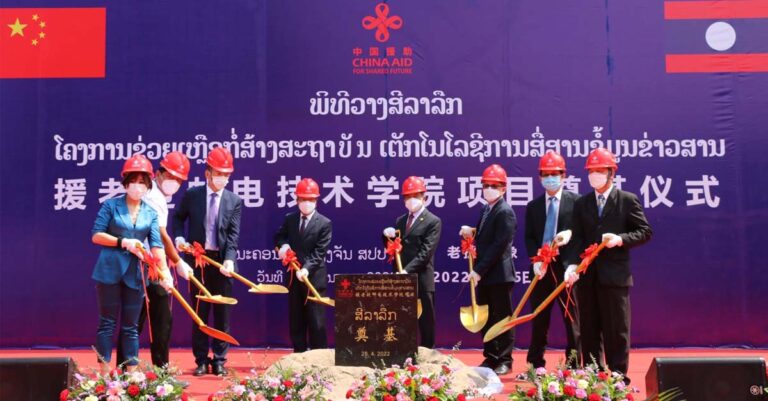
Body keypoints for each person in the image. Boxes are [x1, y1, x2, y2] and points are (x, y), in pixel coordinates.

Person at [564, 147, 652, 382]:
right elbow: (578, 239)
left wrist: (620, 239)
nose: (594, 175)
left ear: (611, 172)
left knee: (617, 329)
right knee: (590, 328)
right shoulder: (582, 203)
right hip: (588, 277)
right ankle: (593, 373)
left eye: (599, 170)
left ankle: (618, 374)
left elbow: (644, 231)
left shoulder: (626, 200)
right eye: (590, 171)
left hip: (615, 277)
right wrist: (573, 265)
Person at [90, 154, 170, 374]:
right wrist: (122, 242)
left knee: (131, 326)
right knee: (107, 323)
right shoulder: (111, 206)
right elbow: (96, 235)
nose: (137, 186)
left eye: (142, 182)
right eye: (133, 181)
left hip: (136, 274)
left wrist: (165, 273)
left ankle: (132, 377)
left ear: (148, 185)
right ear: (125, 182)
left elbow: (156, 245)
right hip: (109, 271)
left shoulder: (150, 212)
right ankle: (104, 375)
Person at [116, 152, 193, 368]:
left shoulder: (158, 196)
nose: (175, 183)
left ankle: (157, 369)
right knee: (139, 321)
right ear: (158, 174)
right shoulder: (153, 196)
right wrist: (177, 262)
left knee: (159, 320)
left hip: (152, 265)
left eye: (179, 180)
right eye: (171, 177)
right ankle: (128, 371)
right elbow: (161, 234)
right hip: (141, 266)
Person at [172, 147, 242, 376]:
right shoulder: (193, 195)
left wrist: (230, 260)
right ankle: (201, 359)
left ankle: (220, 359)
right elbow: (178, 218)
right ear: (208, 173)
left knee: (222, 314)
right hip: (198, 262)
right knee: (200, 313)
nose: (223, 178)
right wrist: (180, 237)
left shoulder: (234, 201)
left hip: (221, 265)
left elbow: (232, 236)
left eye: (227, 174)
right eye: (219, 173)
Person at [524, 151, 581, 368]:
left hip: (567, 269)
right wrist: (535, 259)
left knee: (572, 318)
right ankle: (535, 363)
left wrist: (573, 261)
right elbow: (529, 237)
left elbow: (582, 234)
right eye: (545, 174)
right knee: (539, 317)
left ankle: (574, 365)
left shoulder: (576, 202)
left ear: (563, 175)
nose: (550, 178)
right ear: (539, 177)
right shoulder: (534, 206)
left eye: (555, 173)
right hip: (541, 269)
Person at [461, 164, 517, 375]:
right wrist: (472, 232)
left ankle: (504, 359)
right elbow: (486, 237)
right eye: (485, 185)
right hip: (485, 275)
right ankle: (491, 356)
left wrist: (479, 270)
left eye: (494, 185)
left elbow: (498, 245)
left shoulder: (505, 211)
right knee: (486, 317)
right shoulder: (486, 209)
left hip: (499, 275)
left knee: (502, 318)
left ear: (503, 188)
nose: (489, 189)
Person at [274, 178, 333, 353]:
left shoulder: (324, 223)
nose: (307, 203)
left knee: (316, 320)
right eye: (303, 199)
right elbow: (278, 237)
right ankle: (299, 355)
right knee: (296, 318)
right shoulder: (290, 219)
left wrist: (307, 268)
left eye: (311, 199)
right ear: (297, 199)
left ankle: (319, 356)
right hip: (294, 277)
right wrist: (283, 247)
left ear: (316, 200)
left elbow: (320, 252)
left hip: (314, 278)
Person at [382, 176, 441, 348]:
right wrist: (386, 237)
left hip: (421, 279)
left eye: (415, 195)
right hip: (401, 280)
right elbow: (394, 247)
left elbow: (426, 252)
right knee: (403, 319)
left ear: (424, 197)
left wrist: (407, 271)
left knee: (425, 320)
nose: (411, 200)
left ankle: (428, 353)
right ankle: (403, 352)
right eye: (407, 196)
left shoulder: (433, 221)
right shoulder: (401, 220)